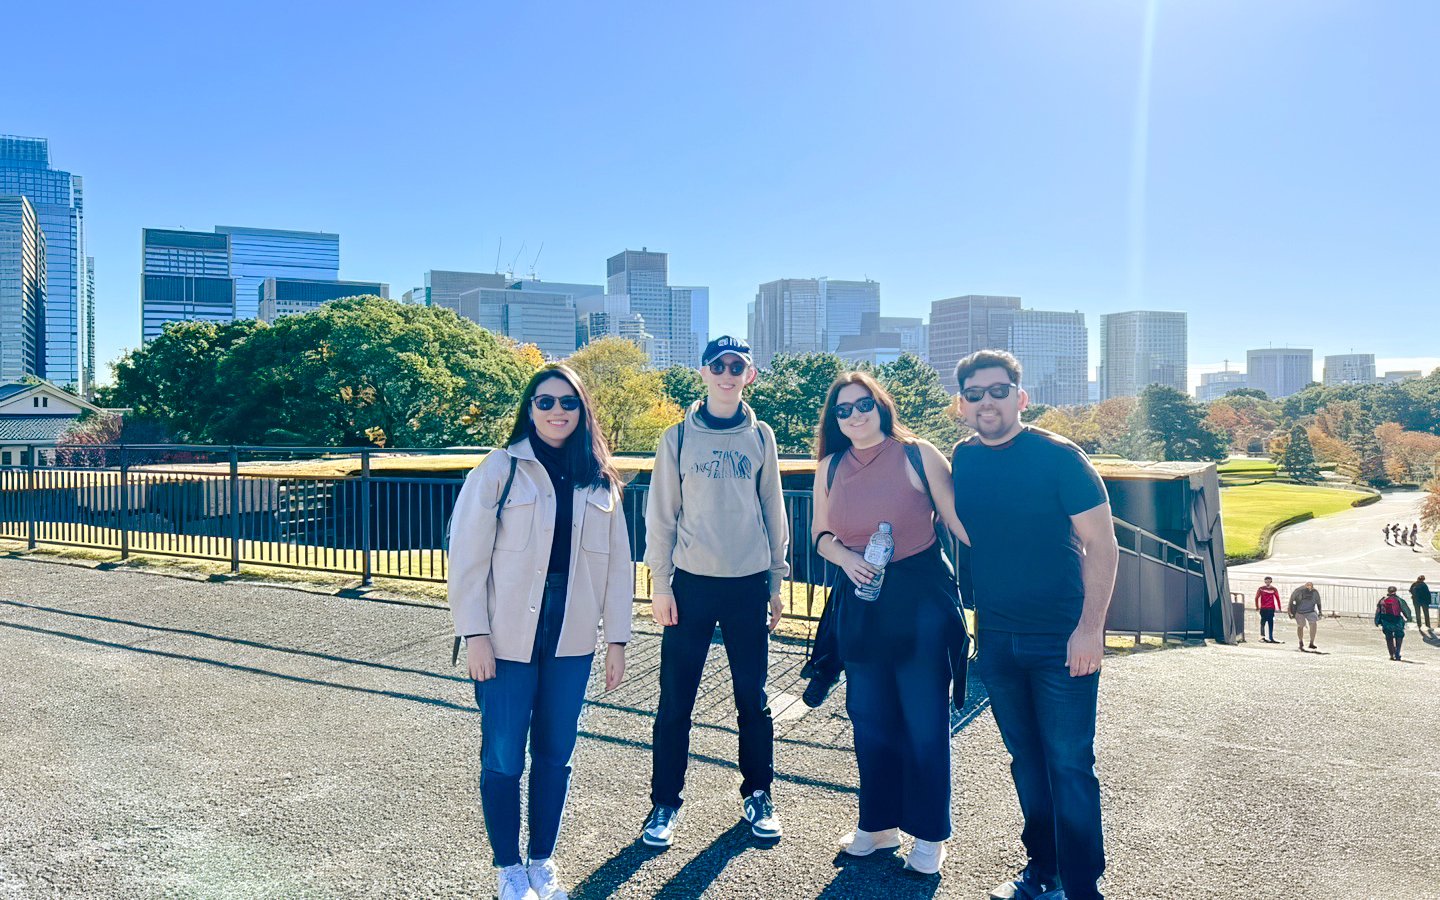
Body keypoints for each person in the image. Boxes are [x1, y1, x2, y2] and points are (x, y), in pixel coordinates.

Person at [447, 365, 632, 900]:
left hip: (571, 634)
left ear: (582, 411)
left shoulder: (600, 480)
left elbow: (619, 566)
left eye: (568, 403)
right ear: (529, 408)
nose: (557, 411)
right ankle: (508, 868)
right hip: (505, 634)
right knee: (504, 752)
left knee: (556, 751)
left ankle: (541, 860)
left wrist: (616, 640)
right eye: (545, 401)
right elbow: (466, 557)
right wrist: (474, 634)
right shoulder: (501, 469)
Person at [949, 350, 1118, 900]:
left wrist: (1091, 629)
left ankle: (1081, 884)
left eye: (998, 391)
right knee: (1026, 761)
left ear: (1021, 398)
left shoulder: (1059, 457)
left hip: (1061, 637)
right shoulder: (964, 458)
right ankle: (1042, 869)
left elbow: (1103, 544)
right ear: (963, 405)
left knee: (1069, 762)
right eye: (974, 394)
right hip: (996, 638)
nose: (987, 402)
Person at [810, 371, 970, 876]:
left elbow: (959, 523)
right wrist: (842, 556)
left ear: (881, 406)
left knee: (925, 722)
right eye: (843, 409)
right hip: (861, 600)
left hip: (920, 602)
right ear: (833, 419)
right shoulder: (830, 465)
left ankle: (929, 834)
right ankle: (878, 826)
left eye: (863, 405)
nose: (854, 415)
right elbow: (820, 533)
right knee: (870, 720)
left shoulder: (917, 454)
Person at [641, 335, 789, 848]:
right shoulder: (677, 437)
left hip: (748, 583)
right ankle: (664, 803)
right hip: (691, 585)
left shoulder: (762, 436)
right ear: (702, 372)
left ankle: (758, 793)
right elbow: (660, 517)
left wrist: (776, 579)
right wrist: (660, 584)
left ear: (749, 374)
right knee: (675, 701)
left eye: (738, 366)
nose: (727, 374)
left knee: (752, 697)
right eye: (718, 365)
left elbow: (774, 510)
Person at [1374, 586, 1414, 661]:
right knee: (1399, 636)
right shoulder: (1399, 600)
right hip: (1397, 620)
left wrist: (1377, 621)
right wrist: (1408, 618)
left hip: (1386, 621)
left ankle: (1391, 654)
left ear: (1388, 591)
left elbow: (1378, 611)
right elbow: (1405, 610)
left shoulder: (1383, 600)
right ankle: (1397, 653)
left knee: (1389, 638)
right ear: (1395, 591)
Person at [1288, 581, 1323, 650]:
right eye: (1307, 587)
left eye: (1310, 587)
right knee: (1301, 626)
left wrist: (1320, 612)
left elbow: (1318, 602)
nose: (1309, 589)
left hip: (1310, 611)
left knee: (1313, 624)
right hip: (1299, 611)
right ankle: (1300, 641)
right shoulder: (1298, 591)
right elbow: (1291, 600)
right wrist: (1290, 612)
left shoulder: (1315, 592)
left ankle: (1311, 642)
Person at [1254, 577, 1282, 643]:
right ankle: (1268, 637)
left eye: (1268, 581)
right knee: (1268, 622)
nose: (1267, 583)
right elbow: (1277, 598)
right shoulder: (1272, 589)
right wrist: (1279, 608)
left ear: (1270, 581)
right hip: (1268, 608)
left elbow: (1256, 598)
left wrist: (1257, 607)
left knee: (1264, 622)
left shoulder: (1262, 588)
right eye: (1266, 581)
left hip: (1267, 608)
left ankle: (1265, 637)